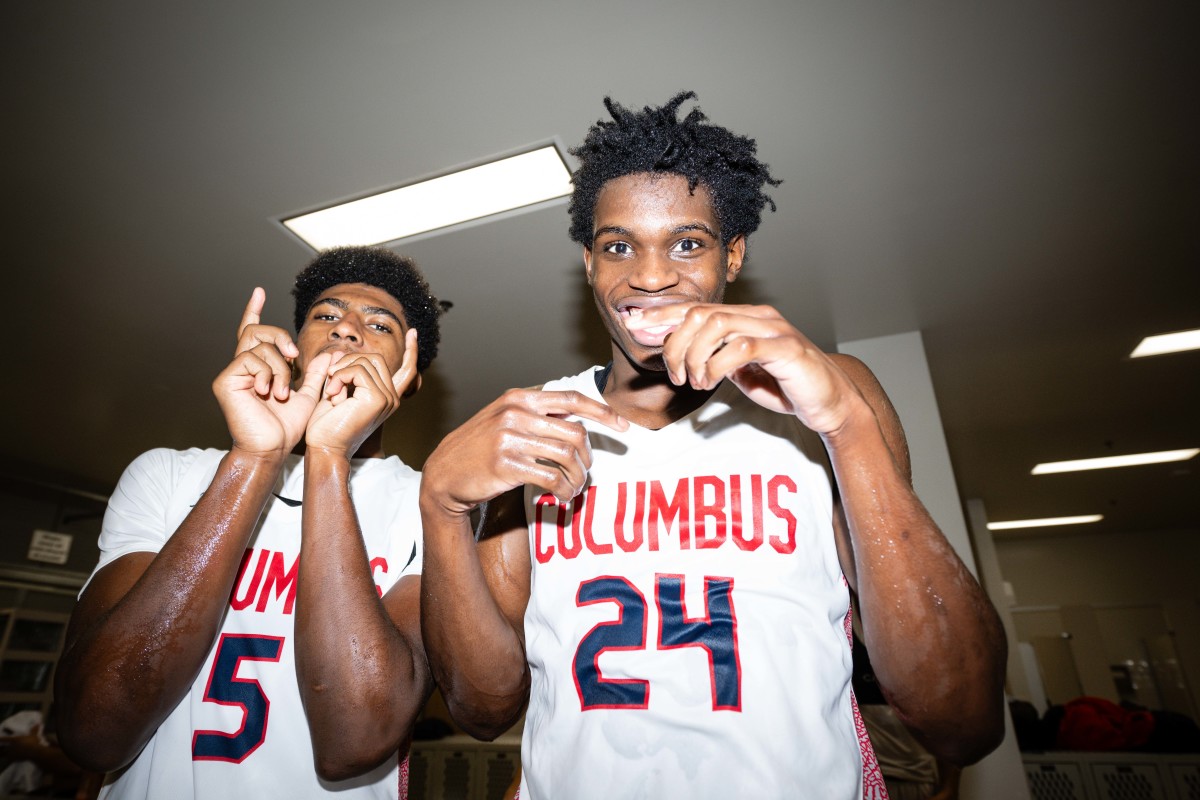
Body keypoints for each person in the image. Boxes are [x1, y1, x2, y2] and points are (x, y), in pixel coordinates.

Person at [418, 92, 1007, 799]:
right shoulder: (538, 426)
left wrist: (847, 426)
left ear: (733, 253)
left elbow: (964, 719)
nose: (652, 274)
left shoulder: (825, 394)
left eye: (688, 243)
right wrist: (441, 509)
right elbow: (482, 711)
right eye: (618, 246)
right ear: (588, 263)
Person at [55, 246, 443, 799]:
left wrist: (328, 453)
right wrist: (256, 459)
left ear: (407, 379)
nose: (347, 331)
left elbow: (355, 737)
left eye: (379, 324)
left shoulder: (432, 505)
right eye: (326, 316)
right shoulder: (165, 476)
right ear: (292, 348)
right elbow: (93, 731)